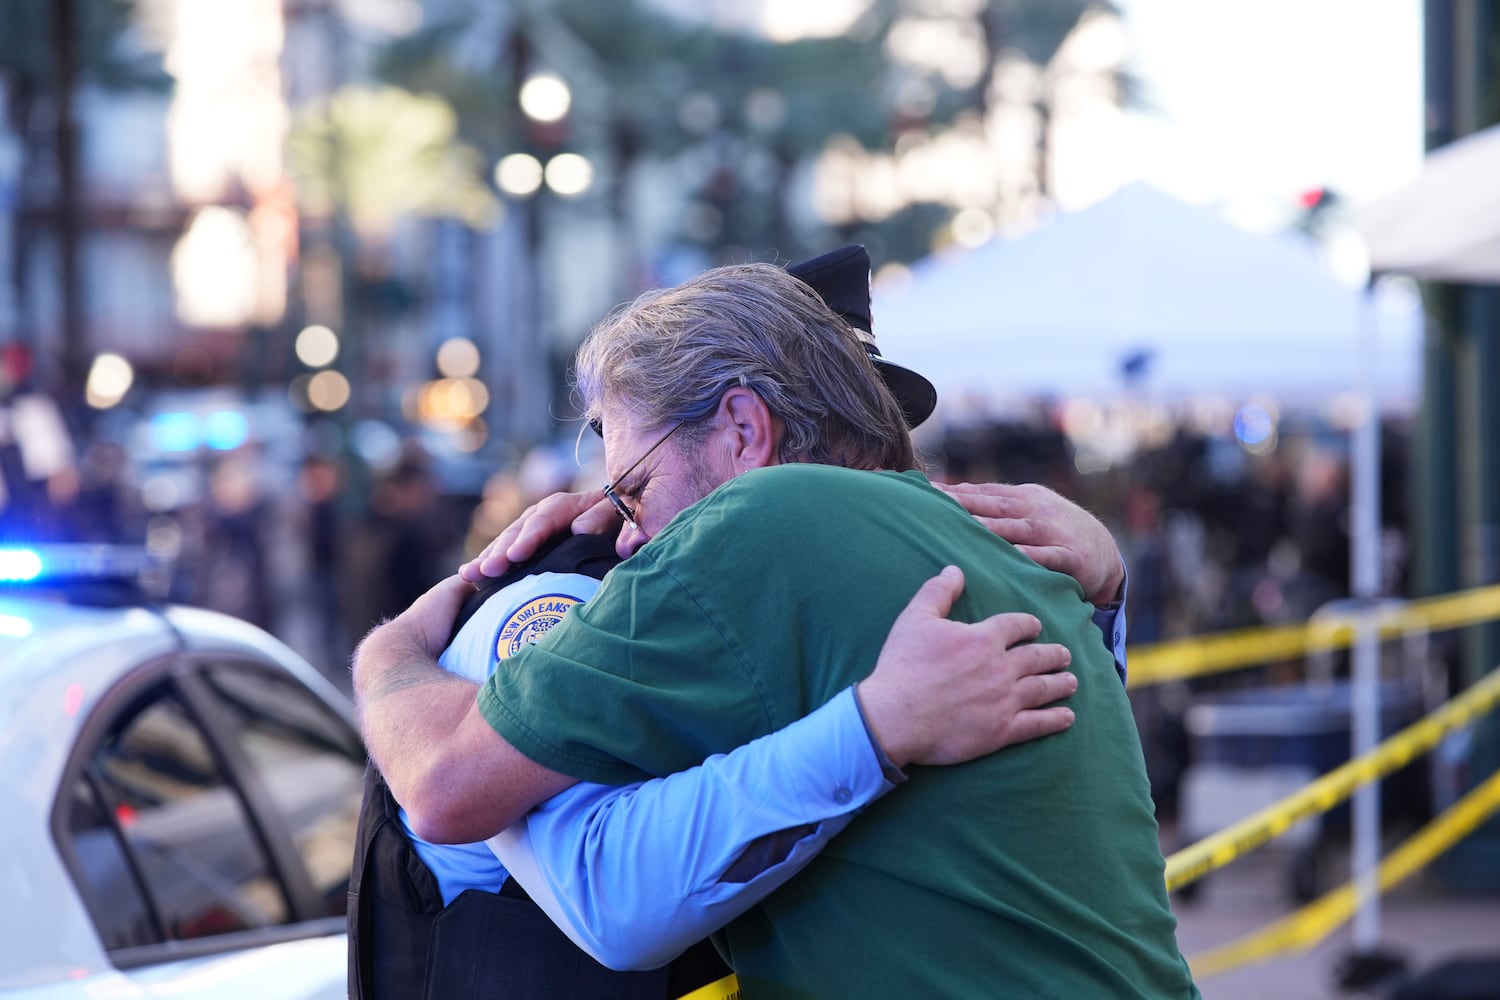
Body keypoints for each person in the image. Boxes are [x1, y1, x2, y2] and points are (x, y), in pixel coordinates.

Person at [356, 264, 1196, 996]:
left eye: (633, 490)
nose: (625, 536)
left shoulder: (764, 515)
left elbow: (444, 790)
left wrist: (386, 649)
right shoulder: (1014, 546)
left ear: (743, 432)